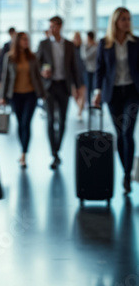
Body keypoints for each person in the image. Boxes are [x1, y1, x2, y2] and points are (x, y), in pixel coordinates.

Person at [93, 7, 139, 195]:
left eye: (128, 19)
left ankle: (127, 175)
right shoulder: (105, 43)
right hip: (112, 94)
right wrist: (97, 91)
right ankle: (125, 170)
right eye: (123, 19)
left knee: (128, 132)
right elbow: (99, 69)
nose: (127, 22)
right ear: (115, 22)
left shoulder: (136, 42)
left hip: (132, 93)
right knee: (120, 134)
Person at [37, 16, 81, 170]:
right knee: (50, 120)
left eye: (54, 26)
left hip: (64, 86)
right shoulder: (43, 44)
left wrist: (78, 86)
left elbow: (73, 67)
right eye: (50, 26)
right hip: (49, 86)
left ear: (60, 26)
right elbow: (37, 65)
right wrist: (43, 72)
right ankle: (53, 153)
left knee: (62, 121)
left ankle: (58, 149)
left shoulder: (69, 45)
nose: (51, 29)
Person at [0, 32, 45, 168]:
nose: (27, 42)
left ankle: (24, 153)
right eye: (24, 39)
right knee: (20, 124)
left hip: (31, 95)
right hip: (15, 96)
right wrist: (2, 96)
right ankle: (22, 149)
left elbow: (37, 76)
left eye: (28, 39)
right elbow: (5, 77)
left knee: (26, 123)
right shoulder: (9, 57)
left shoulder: (32, 57)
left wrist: (42, 93)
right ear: (18, 41)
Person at [72, 32, 86, 121]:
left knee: (82, 94)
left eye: (78, 38)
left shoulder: (83, 47)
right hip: (73, 74)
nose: (77, 40)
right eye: (75, 38)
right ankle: (80, 107)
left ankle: (79, 112)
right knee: (75, 95)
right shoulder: (70, 48)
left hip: (83, 73)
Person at [83, 31, 98, 106]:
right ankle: (89, 104)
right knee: (88, 88)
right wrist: (93, 47)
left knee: (96, 88)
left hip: (96, 70)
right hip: (88, 70)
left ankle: (97, 104)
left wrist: (94, 47)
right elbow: (84, 57)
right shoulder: (85, 46)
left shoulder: (97, 45)